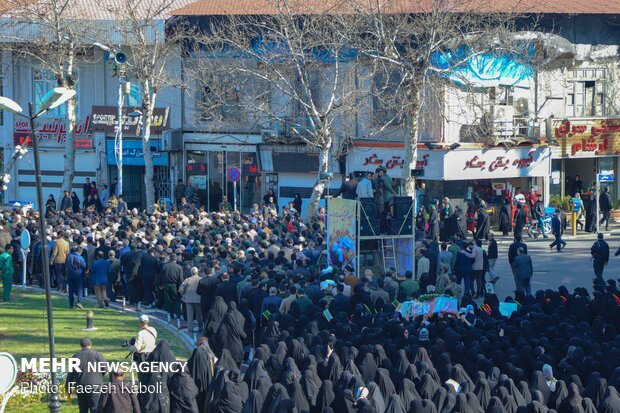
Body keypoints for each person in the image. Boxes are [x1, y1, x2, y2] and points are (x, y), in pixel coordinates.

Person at [66, 337, 106, 413]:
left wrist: (68, 388)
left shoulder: (75, 356)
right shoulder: (98, 355)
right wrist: (98, 376)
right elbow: (105, 369)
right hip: (95, 386)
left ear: (81, 345)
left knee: (83, 409)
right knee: (95, 408)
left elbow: (70, 374)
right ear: (91, 344)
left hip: (81, 386)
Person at [159, 254, 184, 318]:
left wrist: (160, 284)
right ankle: (177, 312)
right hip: (175, 285)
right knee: (176, 299)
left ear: (170, 259)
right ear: (175, 259)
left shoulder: (165, 266)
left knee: (168, 299)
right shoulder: (179, 267)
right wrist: (180, 287)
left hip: (166, 284)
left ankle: (170, 313)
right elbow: (180, 279)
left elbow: (161, 276)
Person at [179, 267, 203, 332]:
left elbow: (181, 289)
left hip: (188, 299)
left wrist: (184, 295)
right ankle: (200, 327)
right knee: (199, 315)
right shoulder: (201, 279)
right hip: (198, 299)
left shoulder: (188, 279)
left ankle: (190, 329)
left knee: (190, 315)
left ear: (191, 272)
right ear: (197, 272)